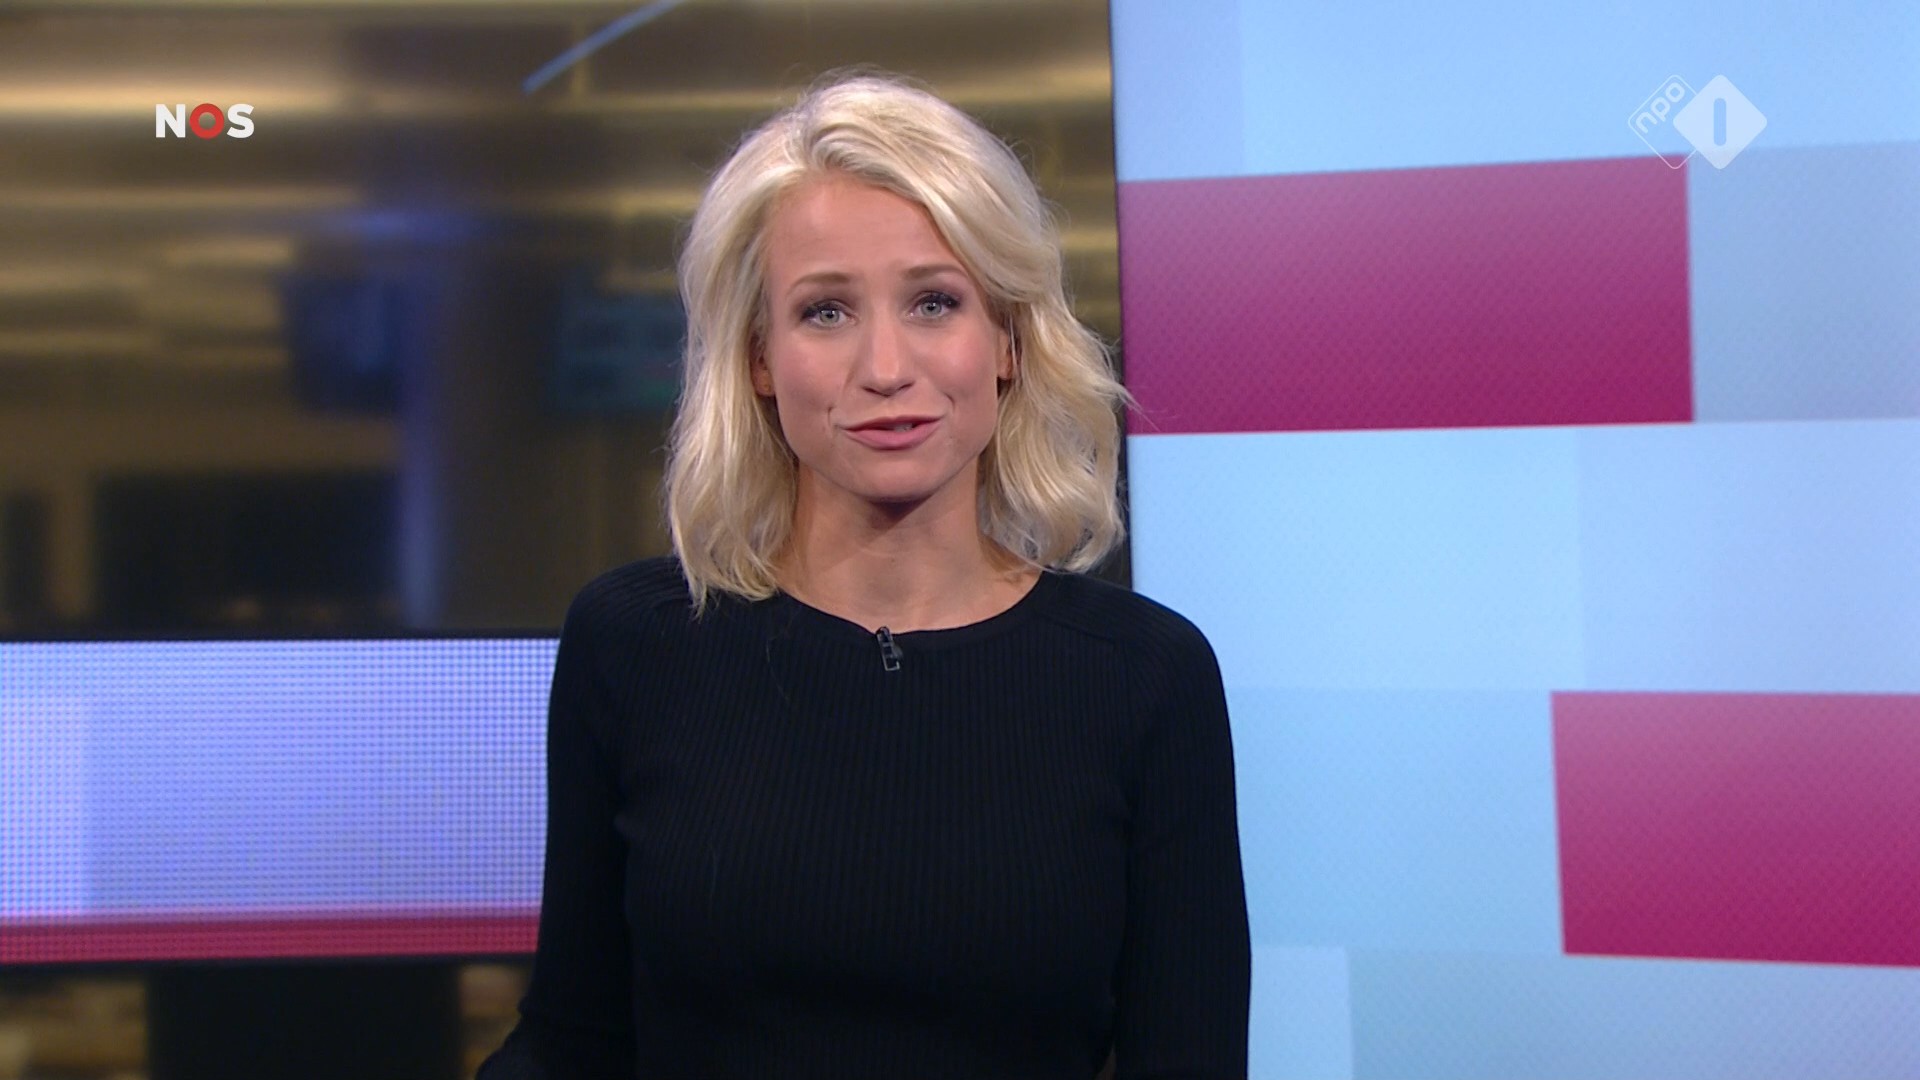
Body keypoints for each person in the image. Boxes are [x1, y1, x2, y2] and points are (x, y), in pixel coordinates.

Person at [477, 70, 1250, 1080]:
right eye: (826, 311)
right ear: (759, 357)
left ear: (1007, 339)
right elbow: (573, 1046)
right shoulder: (635, 643)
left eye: (934, 302)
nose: (886, 367)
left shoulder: (1145, 676)